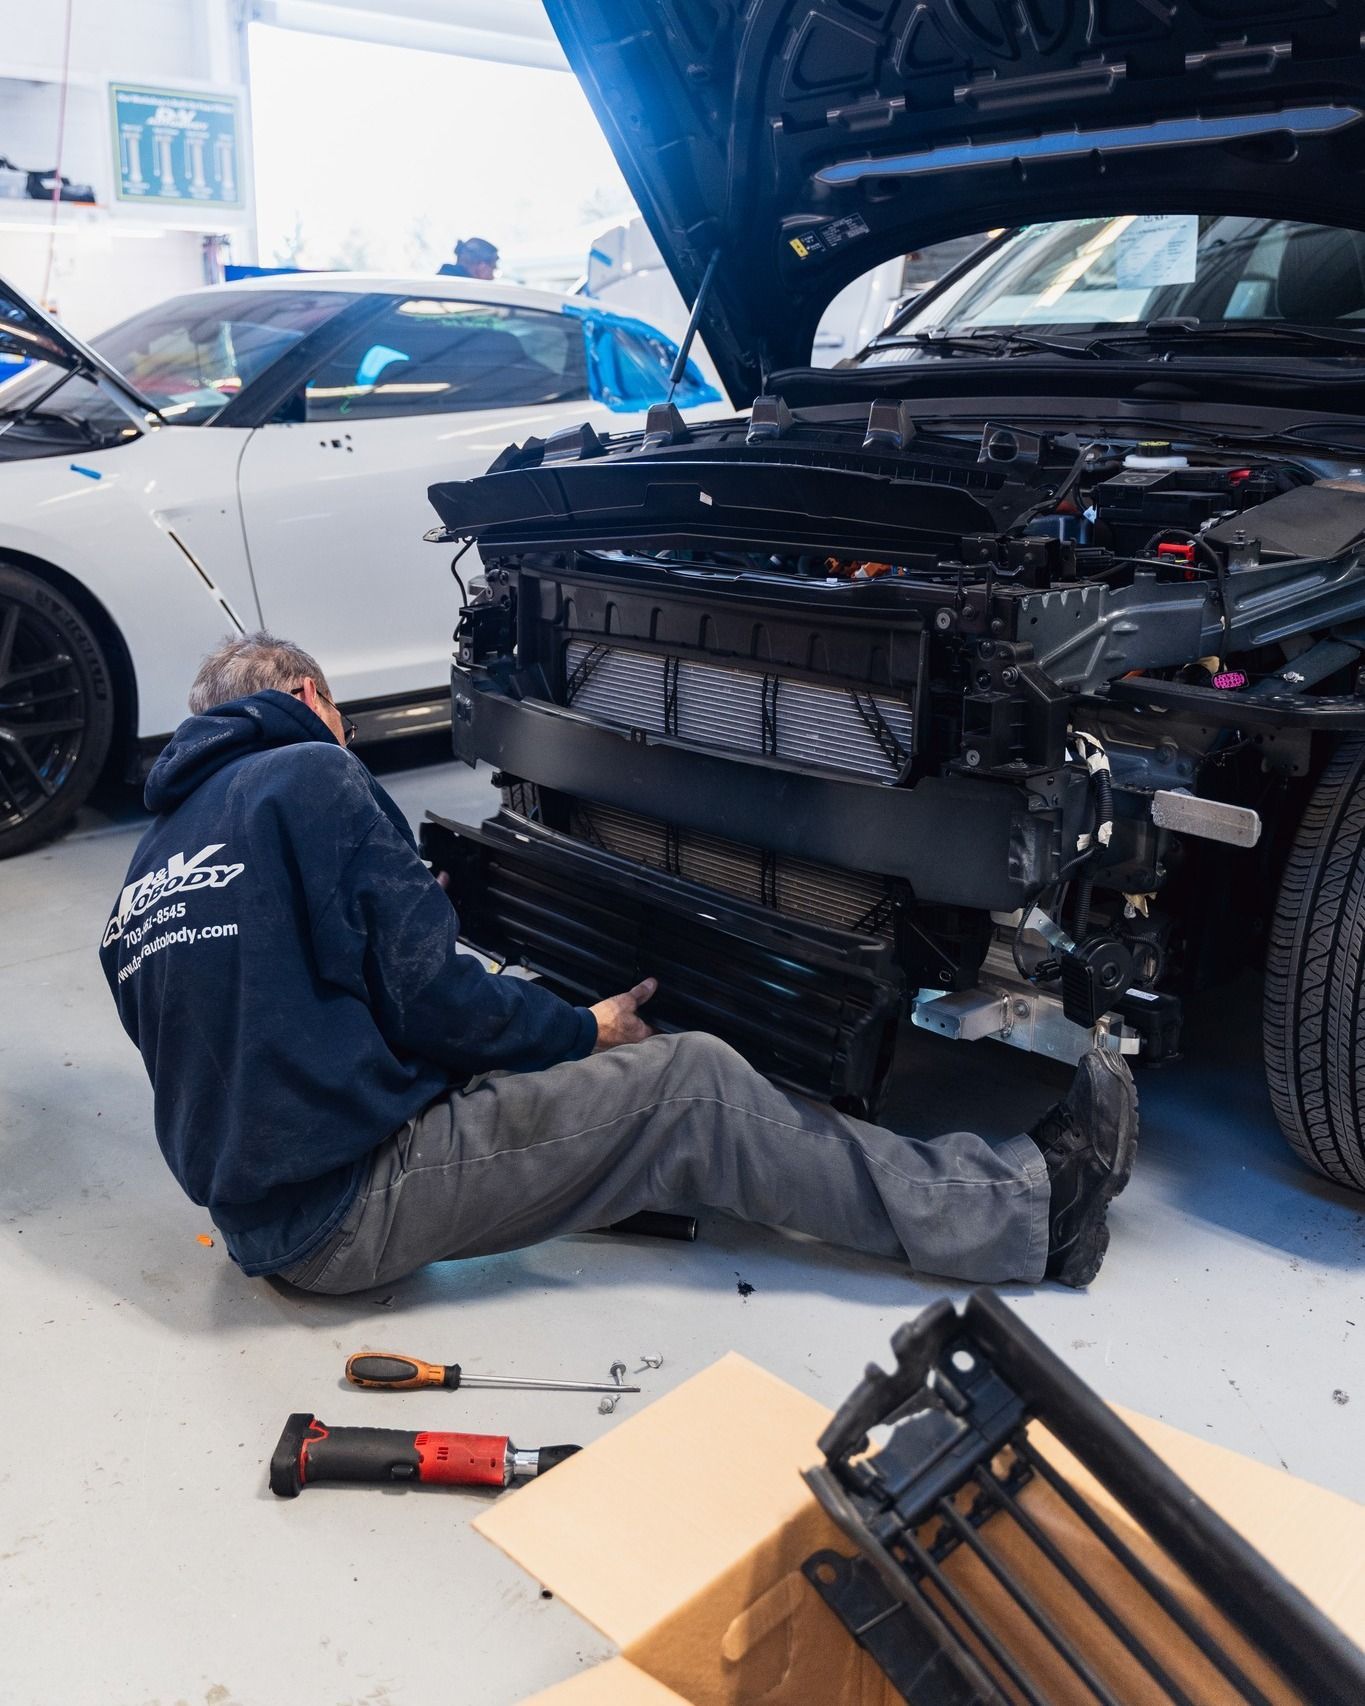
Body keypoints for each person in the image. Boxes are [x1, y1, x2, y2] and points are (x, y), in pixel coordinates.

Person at [99, 633, 1138, 1297]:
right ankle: (1028, 1211)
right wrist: (584, 1028)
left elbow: (260, 1023)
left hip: (259, 1211)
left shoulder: (156, 858)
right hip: (345, 1208)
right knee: (689, 1086)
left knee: (576, 1071)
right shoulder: (311, 773)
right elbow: (438, 1004)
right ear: (312, 695)